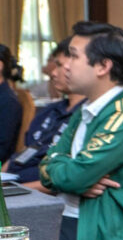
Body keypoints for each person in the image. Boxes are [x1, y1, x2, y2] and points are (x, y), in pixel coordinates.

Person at [40, 21, 123, 240]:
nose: (65, 66)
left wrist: (71, 175)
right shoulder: (86, 109)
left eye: (73, 56)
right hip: (68, 217)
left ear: (103, 66)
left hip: (97, 234)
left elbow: (75, 174)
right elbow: (46, 165)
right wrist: (72, 177)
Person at [7, 38, 85, 188]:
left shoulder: (88, 114)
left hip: (37, 191)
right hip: (14, 181)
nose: (53, 73)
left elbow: (71, 178)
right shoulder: (50, 110)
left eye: (60, 65)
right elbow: (24, 152)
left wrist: (12, 190)